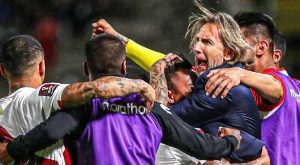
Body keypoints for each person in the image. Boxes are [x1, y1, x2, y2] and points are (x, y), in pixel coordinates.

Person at [0, 34, 241, 165]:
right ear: (124, 67)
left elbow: (50, 132)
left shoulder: (82, 108)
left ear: (86, 69)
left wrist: (13, 149)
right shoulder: (152, 110)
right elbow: (202, 147)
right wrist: (231, 142)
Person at [92, 2, 265, 163]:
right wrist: (120, 41)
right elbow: (175, 70)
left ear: (228, 54)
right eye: (197, 40)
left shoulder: (220, 87)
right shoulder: (217, 78)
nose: (196, 48)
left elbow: (157, 117)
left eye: (206, 42)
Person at [0, 35, 156, 164]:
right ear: (42, 66)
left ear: (2, 70)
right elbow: (95, 89)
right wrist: (139, 85)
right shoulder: (42, 96)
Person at [205, 12, 300, 165]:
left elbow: (275, 86)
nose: (232, 50)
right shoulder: (295, 87)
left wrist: (239, 73)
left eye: (238, 42)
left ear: (261, 47)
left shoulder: (266, 83)